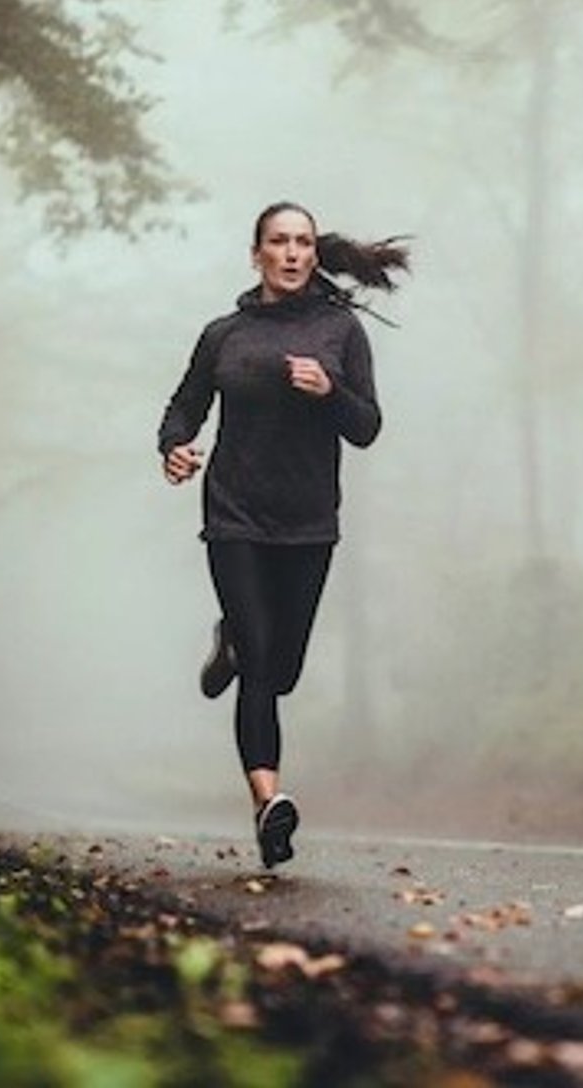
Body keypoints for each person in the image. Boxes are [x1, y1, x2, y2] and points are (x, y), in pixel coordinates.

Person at [158, 201, 408, 869]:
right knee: (263, 667)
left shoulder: (340, 332)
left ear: (312, 253)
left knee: (283, 668)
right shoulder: (224, 335)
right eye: (278, 241)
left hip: (308, 522)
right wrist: (175, 448)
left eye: (302, 242)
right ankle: (268, 803)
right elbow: (185, 406)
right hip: (234, 516)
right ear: (256, 253)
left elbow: (366, 426)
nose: (292, 253)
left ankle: (231, 643)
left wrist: (329, 391)